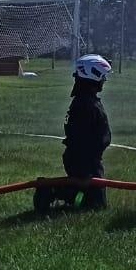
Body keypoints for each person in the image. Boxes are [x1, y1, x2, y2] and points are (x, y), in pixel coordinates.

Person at [34, 54, 113, 214]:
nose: (104, 80)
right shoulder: (86, 105)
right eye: (102, 76)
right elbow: (81, 140)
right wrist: (86, 172)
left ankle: (73, 195)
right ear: (93, 75)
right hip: (85, 161)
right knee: (96, 205)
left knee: (91, 200)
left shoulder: (84, 101)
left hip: (85, 159)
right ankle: (52, 190)